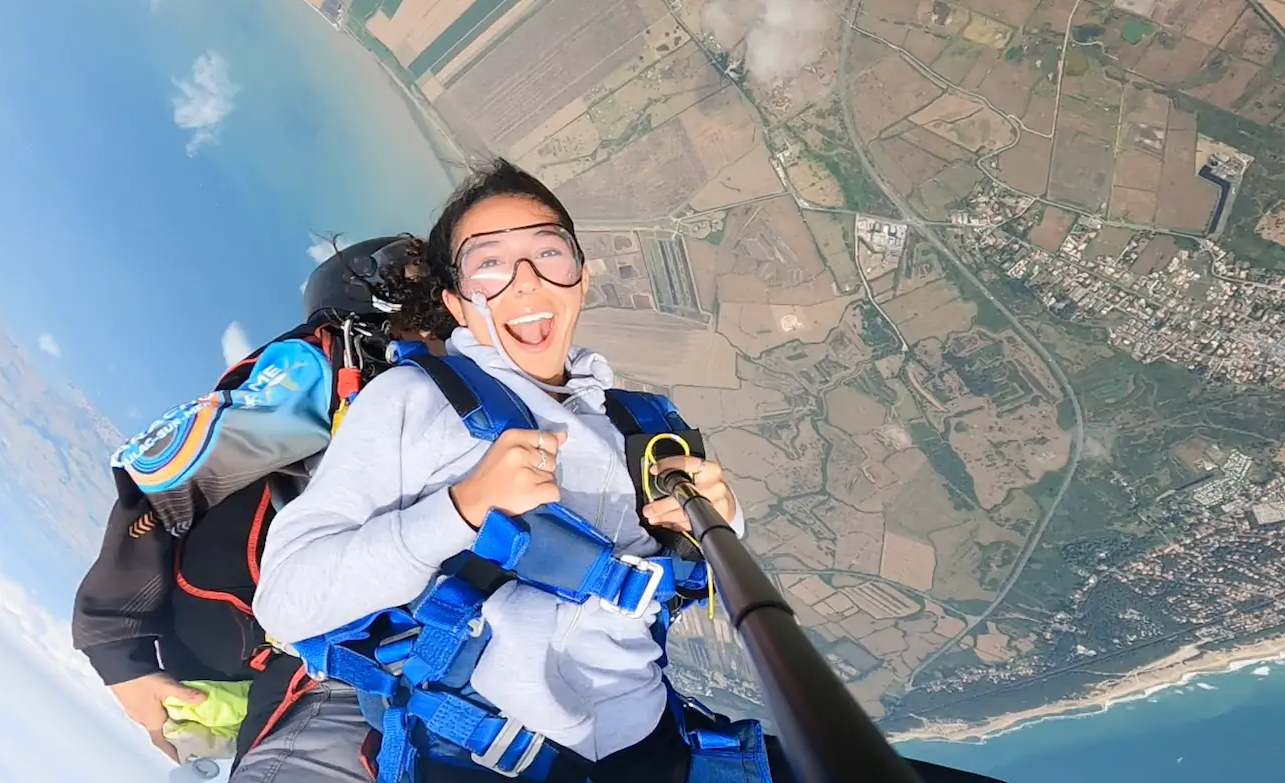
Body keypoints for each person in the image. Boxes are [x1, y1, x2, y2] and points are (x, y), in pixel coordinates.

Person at [246, 160, 1008, 783]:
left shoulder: (637, 422)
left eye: (548, 252)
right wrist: (461, 507)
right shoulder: (412, 400)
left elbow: (655, 592)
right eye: (489, 266)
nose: (527, 283)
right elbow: (286, 603)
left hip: (659, 752)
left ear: (581, 275)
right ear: (456, 301)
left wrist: (712, 526)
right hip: (488, 759)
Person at [71, 235, 451, 769]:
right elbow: (172, 483)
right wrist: (116, 647)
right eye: (432, 312)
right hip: (309, 679)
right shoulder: (320, 370)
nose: (447, 332)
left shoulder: (435, 395)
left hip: (340, 673)